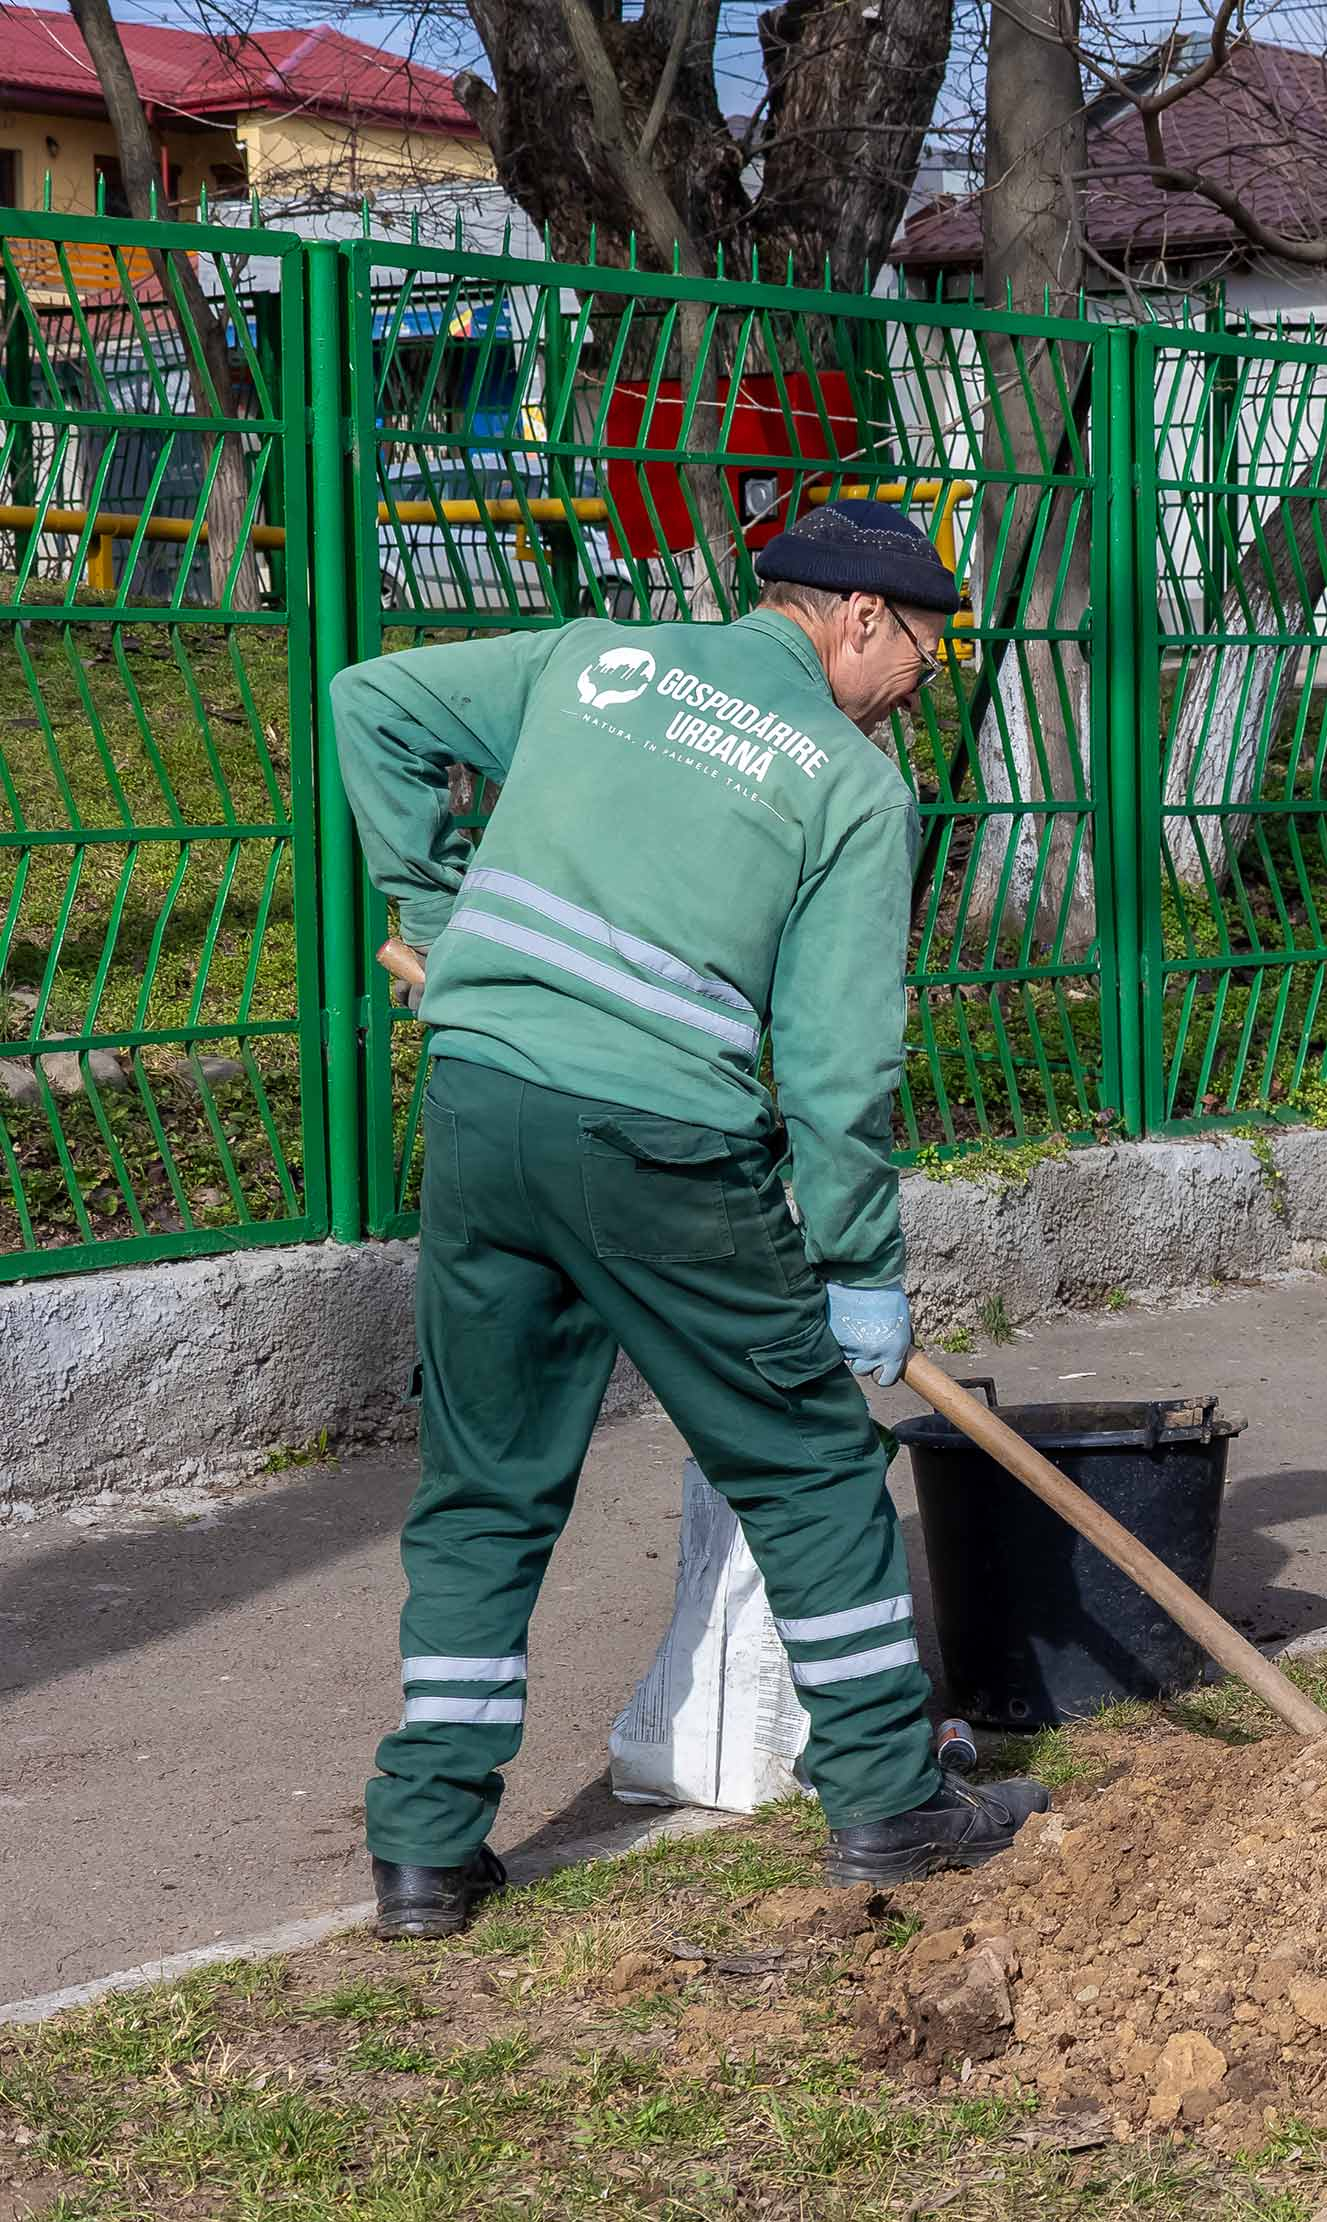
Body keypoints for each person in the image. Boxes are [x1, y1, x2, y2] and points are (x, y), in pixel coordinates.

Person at [337, 500, 1047, 1941]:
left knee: (486, 1482)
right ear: (856, 618)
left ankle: (423, 1848)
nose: (922, 684)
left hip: (483, 1102)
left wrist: (443, 908)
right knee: (810, 1468)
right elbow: (843, 1072)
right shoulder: (850, 790)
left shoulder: (599, 659)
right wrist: (857, 1267)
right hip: (657, 1140)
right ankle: (890, 1795)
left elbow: (373, 701)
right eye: (922, 649)